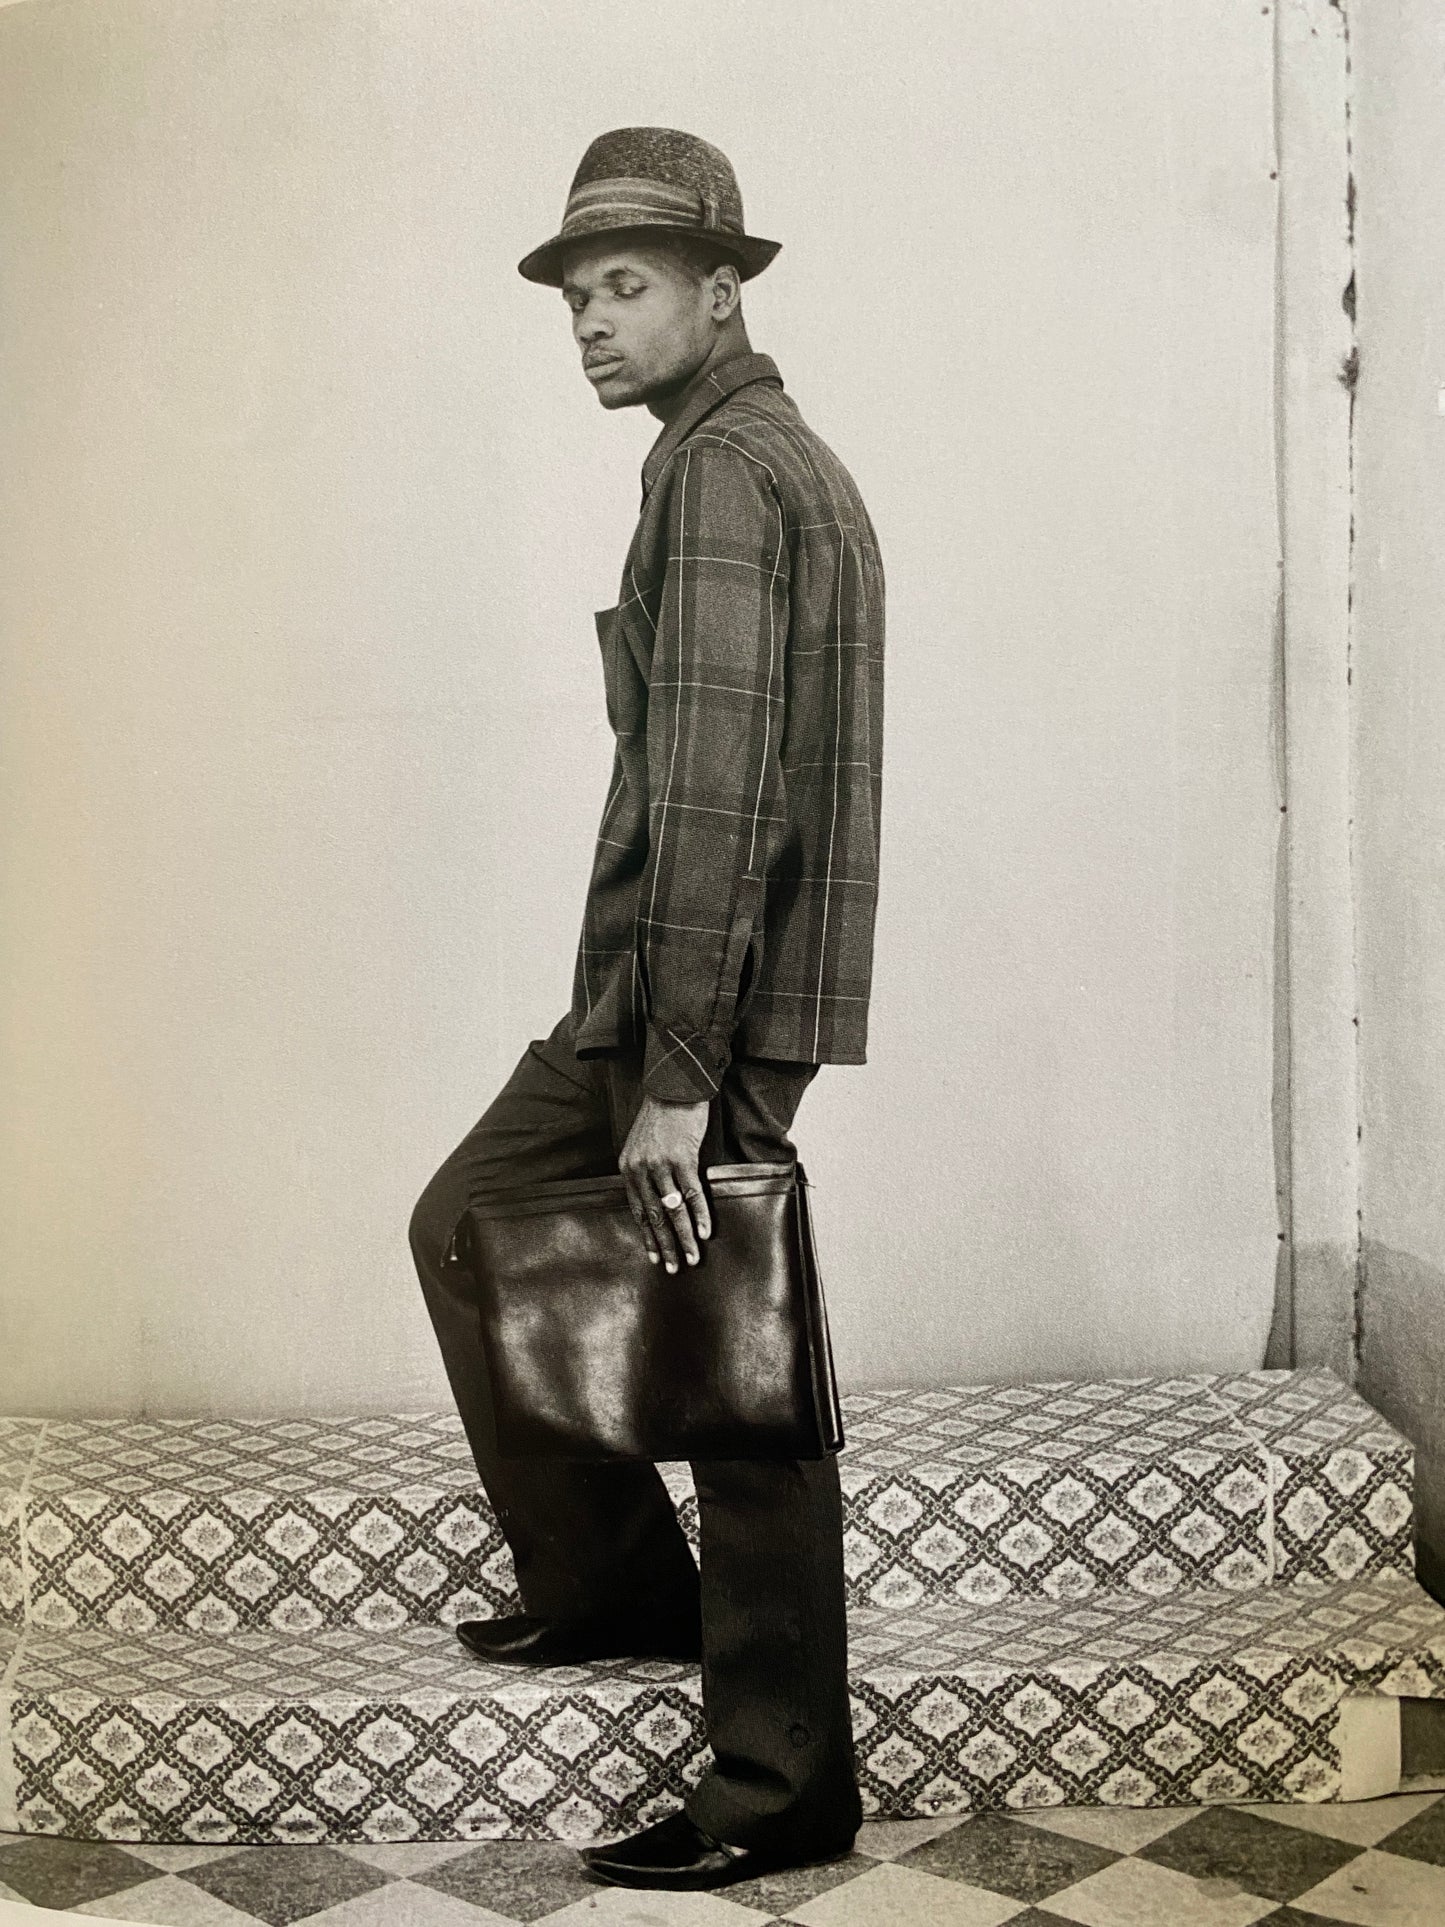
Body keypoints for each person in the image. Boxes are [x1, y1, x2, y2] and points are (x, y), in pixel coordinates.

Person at [408, 125, 885, 1893]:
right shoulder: (734, 457)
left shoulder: (726, 474)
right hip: (663, 988)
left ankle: (779, 1787)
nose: (591, 322)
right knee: (472, 1220)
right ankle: (614, 1590)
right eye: (575, 296)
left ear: (722, 289)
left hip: (705, 1004)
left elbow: (717, 794)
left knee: (731, 1376)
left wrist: (680, 1073)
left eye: (626, 286)